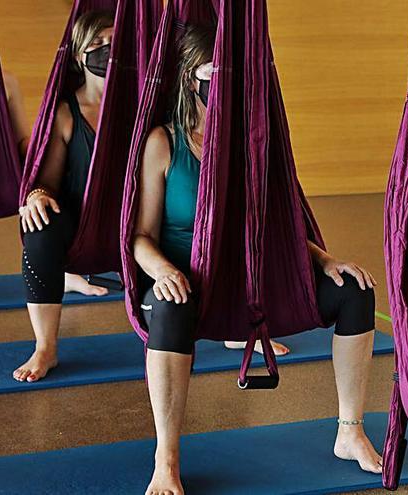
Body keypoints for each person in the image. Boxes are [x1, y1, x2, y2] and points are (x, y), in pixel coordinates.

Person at [134, 26, 383, 495]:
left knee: (356, 290)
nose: (228, 85)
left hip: (251, 282)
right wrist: (163, 270)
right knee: (169, 307)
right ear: (192, 79)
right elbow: (140, 238)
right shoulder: (163, 143)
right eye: (217, 75)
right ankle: (166, 457)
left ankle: (350, 431)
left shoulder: (255, 145)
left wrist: (324, 260)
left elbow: (278, 227)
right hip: (187, 283)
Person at [12, 11, 115, 384]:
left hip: (129, 221)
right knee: (38, 229)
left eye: (113, 42)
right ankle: (45, 347)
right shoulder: (66, 113)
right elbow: (48, 182)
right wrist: (37, 194)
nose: (106, 50)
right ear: (77, 55)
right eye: (97, 44)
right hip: (79, 222)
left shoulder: (139, 107)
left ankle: (232, 327)